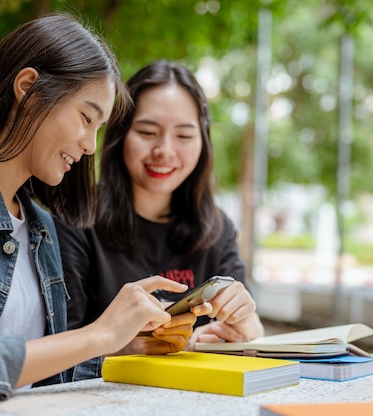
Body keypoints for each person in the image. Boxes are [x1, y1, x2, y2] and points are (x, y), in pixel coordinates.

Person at [0, 16, 206, 416]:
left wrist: (121, 346)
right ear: (28, 88)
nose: (89, 147)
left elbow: (42, 380)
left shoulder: (40, 227)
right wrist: (95, 334)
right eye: (86, 119)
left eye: (99, 129)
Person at [56, 60, 265, 379]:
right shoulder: (76, 219)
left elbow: (252, 335)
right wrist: (140, 347)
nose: (164, 150)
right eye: (147, 132)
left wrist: (245, 330)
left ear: (203, 143)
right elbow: (56, 349)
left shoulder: (216, 226)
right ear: (120, 135)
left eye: (183, 135)